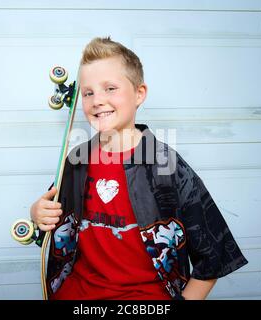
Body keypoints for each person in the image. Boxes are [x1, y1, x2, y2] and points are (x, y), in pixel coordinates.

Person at [30, 37, 248, 300]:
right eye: (88, 92)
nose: (97, 100)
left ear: (139, 94)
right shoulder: (77, 159)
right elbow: (52, 215)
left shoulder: (165, 164)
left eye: (110, 88)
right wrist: (37, 213)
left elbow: (214, 253)